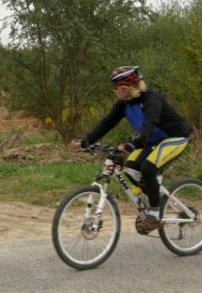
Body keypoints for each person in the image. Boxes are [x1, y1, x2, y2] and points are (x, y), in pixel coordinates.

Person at [71, 66, 193, 234]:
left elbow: (150, 124)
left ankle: (154, 215)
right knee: (130, 166)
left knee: (148, 168)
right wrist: (87, 140)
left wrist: (134, 144)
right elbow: (107, 122)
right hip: (152, 141)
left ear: (129, 87)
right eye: (114, 88)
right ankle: (152, 197)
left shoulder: (152, 99)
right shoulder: (123, 104)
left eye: (118, 88)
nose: (115, 91)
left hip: (174, 138)